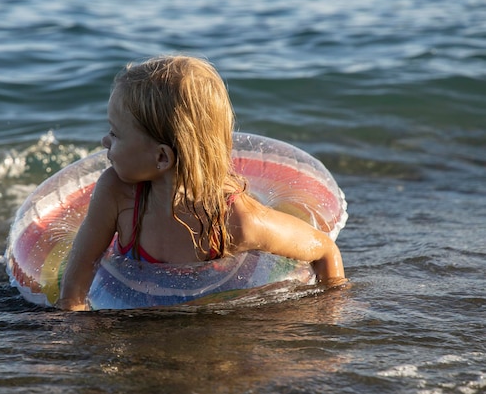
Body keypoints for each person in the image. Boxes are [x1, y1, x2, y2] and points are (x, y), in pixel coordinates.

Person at [59, 55, 345, 311]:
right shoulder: (116, 192)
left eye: (115, 133)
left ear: (161, 157)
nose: (104, 141)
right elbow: (81, 269)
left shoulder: (238, 221)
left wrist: (329, 313)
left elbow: (324, 250)